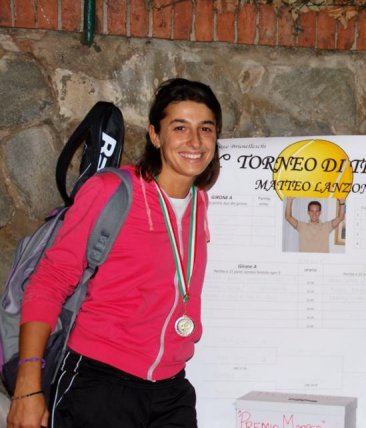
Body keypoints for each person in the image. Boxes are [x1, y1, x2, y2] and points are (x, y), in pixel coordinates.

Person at [7, 78, 222, 428]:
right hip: (100, 384)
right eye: (180, 127)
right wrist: (27, 388)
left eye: (206, 129)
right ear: (155, 135)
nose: (195, 141)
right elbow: (49, 281)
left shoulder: (200, 203)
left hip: (171, 388)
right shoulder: (111, 191)